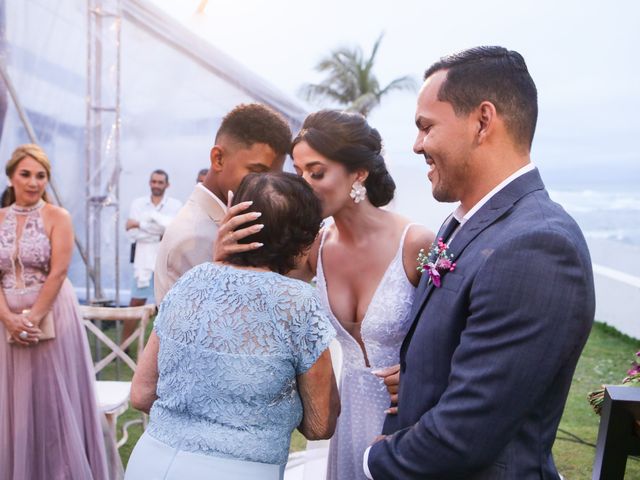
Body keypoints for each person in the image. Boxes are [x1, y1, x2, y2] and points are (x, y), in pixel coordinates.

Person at [365, 47, 595, 479]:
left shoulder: (538, 246)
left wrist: (371, 461)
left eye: (426, 126)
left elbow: (466, 434)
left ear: (483, 121)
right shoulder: (464, 225)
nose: (417, 145)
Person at [216, 110, 434, 480]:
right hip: (346, 418)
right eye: (298, 172)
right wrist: (224, 256)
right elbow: (250, 298)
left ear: (359, 173)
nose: (304, 184)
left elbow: (457, 331)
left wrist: (425, 372)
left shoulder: (416, 244)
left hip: (408, 420)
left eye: (316, 173)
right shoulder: (313, 248)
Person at [125, 172, 340, 480]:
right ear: (303, 241)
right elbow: (320, 424)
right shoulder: (299, 302)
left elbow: (141, 394)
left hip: (150, 461)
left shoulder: (191, 281)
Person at [0, 144, 109, 479]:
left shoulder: (57, 217)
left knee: (51, 401)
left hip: (51, 318)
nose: (33, 182)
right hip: (6, 321)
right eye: (26, 174)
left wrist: (30, 320)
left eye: (41, 175)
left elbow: (59, 271)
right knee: (14, 404)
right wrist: (8, 319)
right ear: (11, 176)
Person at [153, 103, 291, 303]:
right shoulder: (195, 238)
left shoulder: (230, 220)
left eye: (274, 177)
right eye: (257, 172)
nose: (267, 186)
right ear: (218, 159)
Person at [125, 169, 181, 341]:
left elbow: (173, 231)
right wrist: (159, 230)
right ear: (150, 182)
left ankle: (167, 344)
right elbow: (131, 234)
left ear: (167, 185)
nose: (156, 185)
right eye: (153, 181)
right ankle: (124, 343)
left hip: (166, 261)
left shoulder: (176, 205)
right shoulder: (138, 203)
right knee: (136, 301)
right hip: (143, 260)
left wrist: (140, 224)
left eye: (160, 182)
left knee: (168, 304)